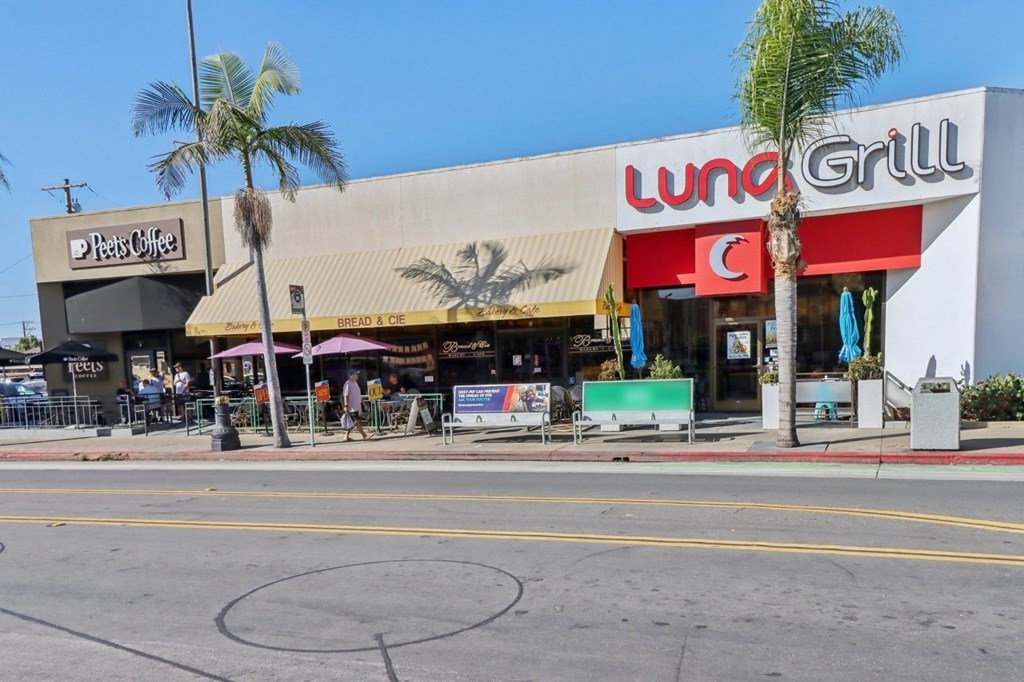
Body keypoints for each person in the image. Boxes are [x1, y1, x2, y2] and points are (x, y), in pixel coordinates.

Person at [341, 368, 374, 442]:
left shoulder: (355, 383)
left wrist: (363, 403)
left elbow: (357, 395)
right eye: (356, 374)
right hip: (351, 407)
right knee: (357, 422)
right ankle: (364, 436)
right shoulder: (347, 384)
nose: (357, 375)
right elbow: (345, 395)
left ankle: (346, 437)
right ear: (351, 376)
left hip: (356, 406)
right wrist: (346, 406)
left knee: (351, 422)